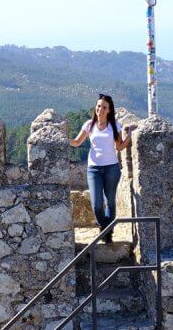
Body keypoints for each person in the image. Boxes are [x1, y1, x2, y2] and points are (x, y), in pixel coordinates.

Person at [69, 93, 131, 243]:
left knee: (110, 202)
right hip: (94, 169)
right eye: (98, 106)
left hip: (111, 168)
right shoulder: (89, 125)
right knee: (97, 205)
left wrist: (129, 136)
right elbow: (77, 142)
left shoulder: (114, 126)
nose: (100, 109)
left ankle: (107, 235)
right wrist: (62, 140)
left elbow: (120, 146)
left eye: (104, 107)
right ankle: (106, 228)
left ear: (109, 110)